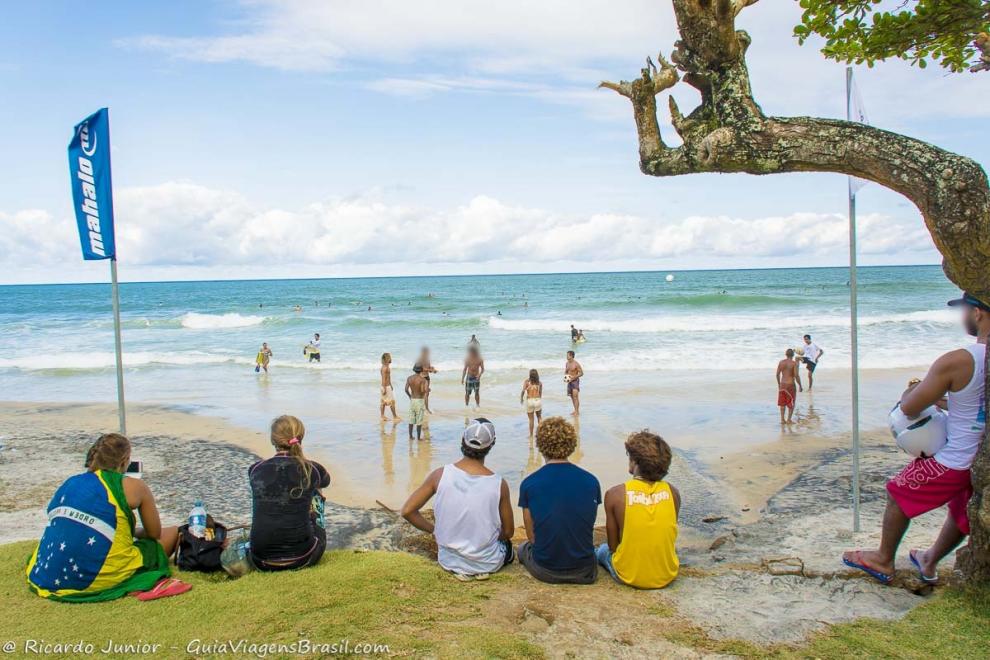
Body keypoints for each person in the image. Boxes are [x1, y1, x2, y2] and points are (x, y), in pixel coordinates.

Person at [842, 292, 988, 585]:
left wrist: (913, 389)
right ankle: (929, 560)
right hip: (980, 461)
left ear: (978, 313)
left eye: (964, 310)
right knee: (962, 508)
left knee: (898, 492)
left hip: (956, 458)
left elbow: (910, 407)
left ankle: (883, 559)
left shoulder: (959, 360)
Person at [26, 433, 180, 602]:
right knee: (171, 534)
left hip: (47, 573)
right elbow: (154, 534)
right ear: (124, 461)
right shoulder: (134, 486)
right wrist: (134, 532)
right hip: (93, 577)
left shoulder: (71, 482)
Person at [400, 419, 514, 581]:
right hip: (487, 562)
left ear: (462, 440)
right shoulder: (499, 484)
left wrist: (435, 530)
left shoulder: (440, 475)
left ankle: (463, 569)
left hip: (448, 560)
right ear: (491, 444)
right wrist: (483, 538)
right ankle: (480, 567)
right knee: (508, 547)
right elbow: (508, 532)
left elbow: (407, 511)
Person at [518, 417, 601, 584]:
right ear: (571, 445)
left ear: (540, 446)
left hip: (545, 569)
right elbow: (586, 523)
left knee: (522, 549)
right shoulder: (591, 481)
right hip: (584, 569)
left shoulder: (529, 484)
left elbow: (532, 537)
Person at [596, 431, 680, 589]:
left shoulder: (615, 494)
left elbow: (613, 546)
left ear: (634, 462)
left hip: (628, 575)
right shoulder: (673, 493)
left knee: (601, 550)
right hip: (667, 574)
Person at [248, 415, 331, 571]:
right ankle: (304, 527)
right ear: (300, 438)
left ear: (273, 440)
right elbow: (326, 481)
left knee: (265, 495)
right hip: (304, 556)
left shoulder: (255, 469)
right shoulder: (311, 469)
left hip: (260, 559)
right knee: (316, 488)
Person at [776, 348, 803, 424]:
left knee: (782, 403)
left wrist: (779, 384)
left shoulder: (781, 362)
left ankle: (782, 420)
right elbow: (796, 375)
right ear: (793, 355)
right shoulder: (794, 363)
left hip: (782, 385)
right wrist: (800, 385)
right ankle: (789, 420)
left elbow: (777, 374)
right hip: (790, 385)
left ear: (786, 354)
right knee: (791, 403)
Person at [406, 363, 429, 440]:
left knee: (411, 419)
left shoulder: (409, 378)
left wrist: (410, 396)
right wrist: (428, 390)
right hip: (419, 401)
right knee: (419, 421)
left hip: (412, 400)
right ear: (421, 370)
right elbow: (423, 391)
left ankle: (410, 436)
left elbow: (406, 389)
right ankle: (418, 438)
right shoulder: (423, 380)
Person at [520, 369, 543, 436]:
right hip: (537, 400)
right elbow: (540, 393)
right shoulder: (539, 383)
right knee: (539, 417)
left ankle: (531, 435)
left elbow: (523, 391)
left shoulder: (527, 382)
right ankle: (541, 433)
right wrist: (539, 400)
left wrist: (521, 398)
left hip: (530, 401)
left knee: (531, 419)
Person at [418, 346, 438, 414]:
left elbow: (428, 368)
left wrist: (432, 369)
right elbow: (423, 369)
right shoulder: (421, 359)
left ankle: (424, 408)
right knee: (424, 394)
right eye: (427, 352)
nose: (428, 353)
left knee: (426, 394)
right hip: (422, 378)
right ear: (423, 352)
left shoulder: (427, 359)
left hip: (427, 377)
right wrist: (430, 370)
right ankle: (426, 409)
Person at [380, 353, 399, 422]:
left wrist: (390, 384)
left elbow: (388, 377)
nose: (391, 359)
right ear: (387, 359)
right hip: (385, 386)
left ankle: (382, 416)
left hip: (386, 386)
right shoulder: (385, 368)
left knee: (383, 402)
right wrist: (385, 388)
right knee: (392, 402)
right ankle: (395, 416)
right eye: (389, 358)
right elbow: (384, 378)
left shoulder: (385, 367)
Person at [565, 350, 584, 416]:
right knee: (572, 397)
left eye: (567, 355)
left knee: (575, 396)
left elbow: (581, 373)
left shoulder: (576, 364)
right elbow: (566, 372)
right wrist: (566, 378)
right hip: (569, 382)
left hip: (575, 381)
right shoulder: (567, 363)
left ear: (571, 356)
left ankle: (577, 411)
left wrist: (574, 377)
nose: (566, 356)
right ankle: (575, 410)